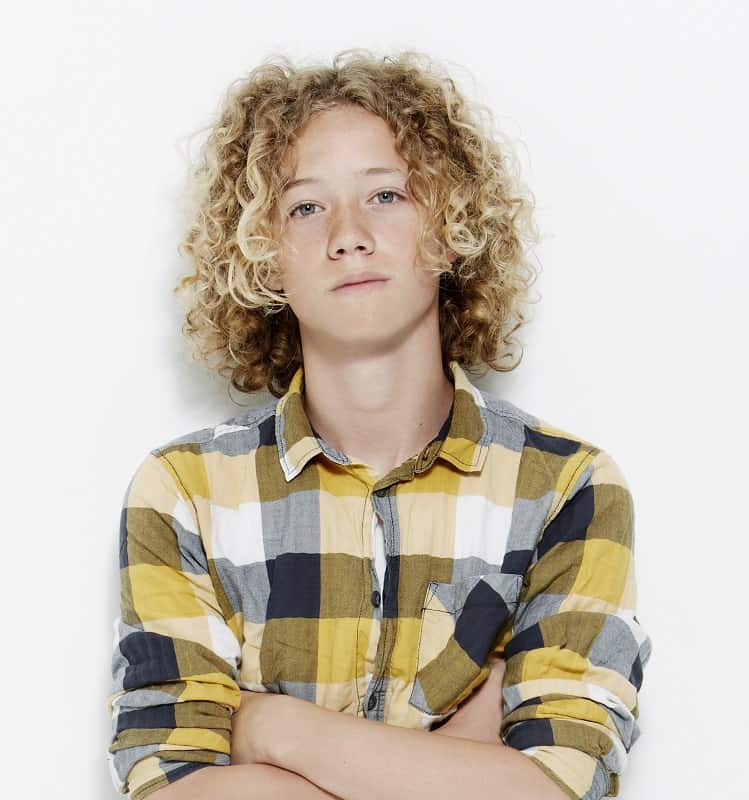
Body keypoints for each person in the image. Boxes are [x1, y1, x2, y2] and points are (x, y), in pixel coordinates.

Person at [107, 49, 652, 800]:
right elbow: (171, 787)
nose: (348, 234)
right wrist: (460, 760)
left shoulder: (566, 488)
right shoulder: (184, 490)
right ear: (264, 258)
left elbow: (559, 786)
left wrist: (271, 730)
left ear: (452, 222)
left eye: (387, 195)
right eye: (304, 206)